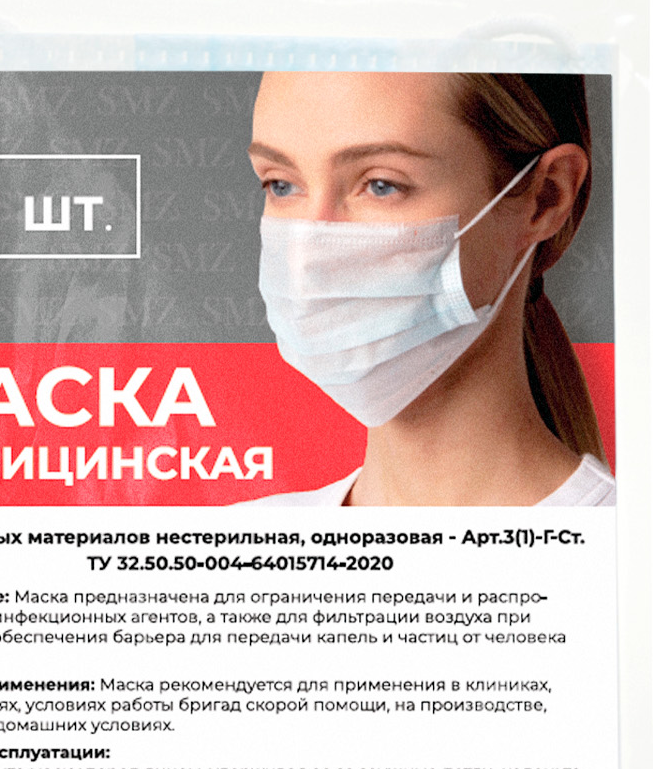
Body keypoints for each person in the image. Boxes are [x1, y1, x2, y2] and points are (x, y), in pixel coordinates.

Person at [245, 71, 616, 507]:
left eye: (382, 185)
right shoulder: (237, 539)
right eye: (281, 185)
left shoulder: (635, 544)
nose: (307, 257)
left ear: (546, 198)